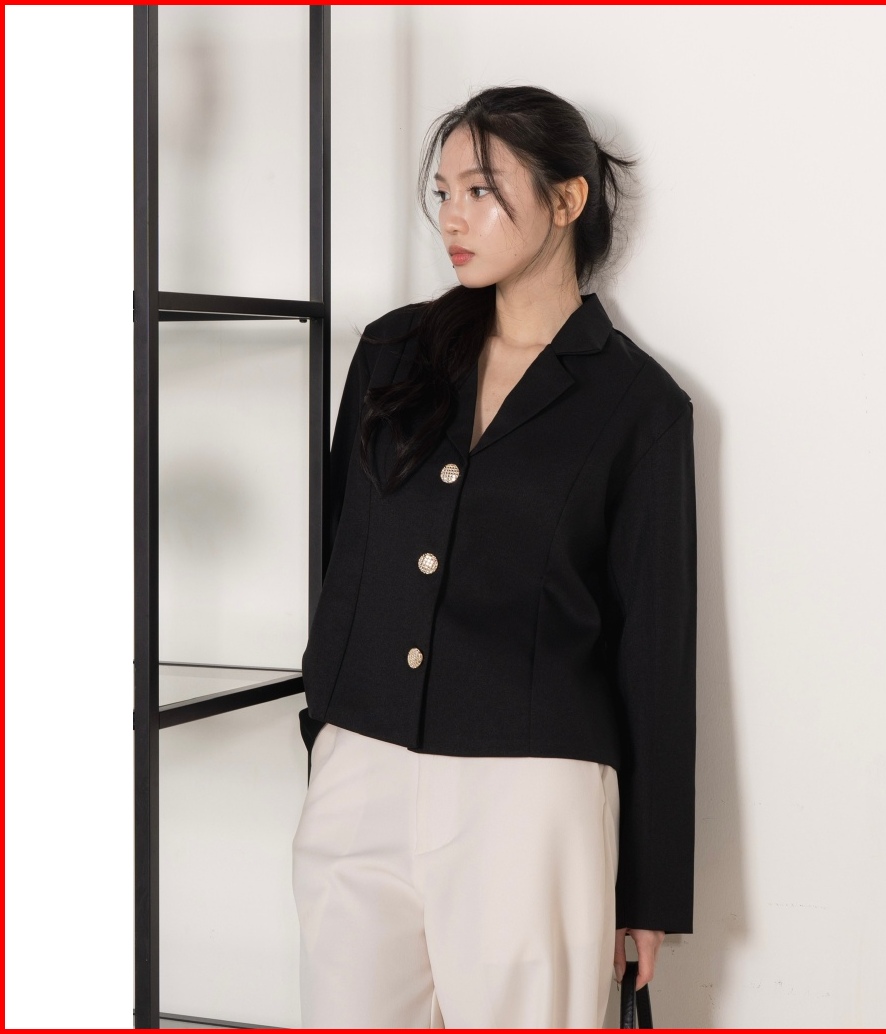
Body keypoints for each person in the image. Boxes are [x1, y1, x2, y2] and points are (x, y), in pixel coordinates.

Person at [292, 84, 697, 1028]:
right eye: (443, 193)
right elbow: (342, 553)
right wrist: (326, 729)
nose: (452, 218)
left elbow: (655, 654)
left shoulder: (639, 407)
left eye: (480, 190)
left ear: (567, 200)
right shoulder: (392, 353)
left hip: (530, 798)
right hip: (361, 767)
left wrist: (649, 888)